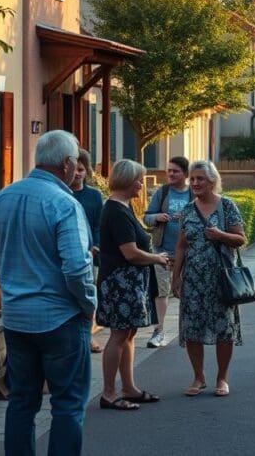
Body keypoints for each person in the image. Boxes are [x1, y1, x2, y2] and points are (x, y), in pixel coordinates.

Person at [0, 130, 96, 456]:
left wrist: (19, 277)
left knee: (21, 401)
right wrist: (89, 304)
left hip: (17, 317)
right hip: (61, 317)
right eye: (76, 162)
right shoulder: (65, 204)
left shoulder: (3, 197)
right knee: (68, 404)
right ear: (67, 163)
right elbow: (76, 268)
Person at [97, 159, 168, 411]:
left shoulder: (123, 208)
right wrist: (158, 258)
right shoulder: (116, 211)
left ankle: (128, 387)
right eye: (139, 179)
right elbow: (130, 253)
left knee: (128, 333)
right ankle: (108, 393)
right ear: (127, 181)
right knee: (118, 335)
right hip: (120, 283)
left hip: (128, 283)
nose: (142, 184)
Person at [171, 160, 246, 398]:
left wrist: (220, 235)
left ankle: (222, 378)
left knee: (224, 328)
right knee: (192, 328)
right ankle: (198, 377)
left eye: (200, 179)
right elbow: (182, 246)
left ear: (212, 181)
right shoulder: (187, 211)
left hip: (221, 278)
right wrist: (176, 277)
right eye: (192, 179)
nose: (195, 183)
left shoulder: (227, 206)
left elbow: (241, 239)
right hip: (193, 279)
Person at [143, 156, 192, 348]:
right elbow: (146, 217)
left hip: (187, 253)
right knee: (161, 292)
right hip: (161, 251)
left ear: (185, 174)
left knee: (186, 292)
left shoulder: (193, 194)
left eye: (175, 171)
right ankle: (159, 331)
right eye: (169, 170)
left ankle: (188, 330)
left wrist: (187, 217)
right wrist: (157, 217)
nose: (170, 174)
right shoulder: (162, 192)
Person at [70, 148, 104, 354]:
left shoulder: (94, 195)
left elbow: (99, 224)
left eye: (82, 170)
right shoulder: (62, 193)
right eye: (76, 169)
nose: (78, 174)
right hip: (68, 253)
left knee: (89, 294)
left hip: (90, 254)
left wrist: (97, 245)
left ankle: (88, 335)